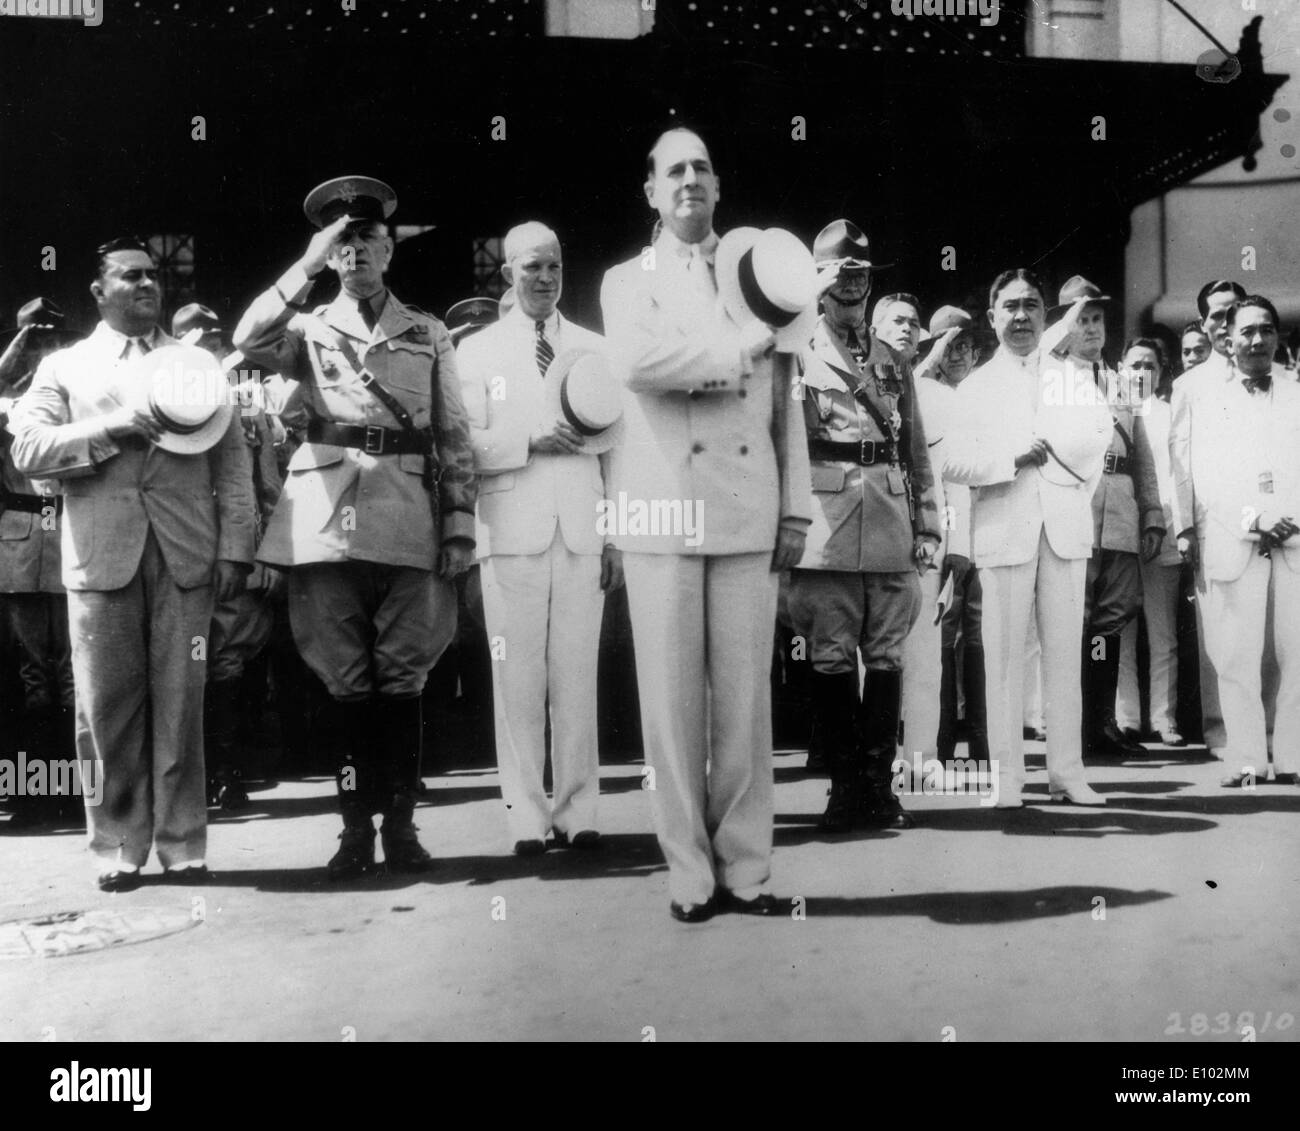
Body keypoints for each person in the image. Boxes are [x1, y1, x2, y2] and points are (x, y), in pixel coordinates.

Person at [233, 176, 478, 878]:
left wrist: (460, 522)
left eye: (368, 239)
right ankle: (351, 831)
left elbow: (455, 432)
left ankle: (400, 824)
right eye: (343, 243)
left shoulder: (426, 330)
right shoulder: (306, 327)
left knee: (404, 673)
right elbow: (247, 337)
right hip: (324, 516)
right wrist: (303, 266)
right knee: (341, 677)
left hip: (408, 513)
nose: (357, 251)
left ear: (389, 249)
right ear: (330, 256)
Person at [600, 127, 812, 921]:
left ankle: (748, 867)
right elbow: (638, 365)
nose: (690, 179)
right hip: (660, 506)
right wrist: (736, 345)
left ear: (719, 187)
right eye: (673, 170)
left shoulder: (759, 270)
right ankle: (688, 870)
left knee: (745, 702)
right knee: (670, 704)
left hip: (747, 503)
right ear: (651, 191)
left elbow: (787, 391)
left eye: (702, 167)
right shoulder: (628, 281)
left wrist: (795, 508)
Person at [9, 238, 256, 889]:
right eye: (130, 276)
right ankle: (117, 844)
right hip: (100, 559)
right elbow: (29, 448)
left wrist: (235, 546)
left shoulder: (196, 362)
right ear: (99, 290)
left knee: (183, 700)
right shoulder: (65, 366)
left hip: (187, 557)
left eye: (153, 275)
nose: (147, 285)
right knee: (103, 708)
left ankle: (182, 843)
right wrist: (114, 427)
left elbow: (230, 465)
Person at [457, 221, 623, 855]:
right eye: (532, 268)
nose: (545, 279)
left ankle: (579, 812)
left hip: (583, 530)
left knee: (578, 677)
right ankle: (526, 816)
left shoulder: (594, 348)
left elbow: (618, 451)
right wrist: (527, 441)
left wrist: (616, 540)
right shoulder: (475, 352)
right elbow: (462, 446)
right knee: (516, 681)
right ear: (507, 275)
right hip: (509, 530)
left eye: (554, 267)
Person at [789, 223, 940, 833]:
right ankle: (843, 786)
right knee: (828, 655)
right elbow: (786, 447)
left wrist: (926, 524)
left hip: (889, 522)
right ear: (818, 284)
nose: (852, 285)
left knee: (885, 655)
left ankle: (879, 786)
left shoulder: (892, 360)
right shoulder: (797, 353)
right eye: (839, 274)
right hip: (825, 525)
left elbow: (915, 448)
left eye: (861, 274)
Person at [943, 268, 1112, 808]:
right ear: (992, 317)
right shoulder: (975, 385)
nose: (1021, 317)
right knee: (1005, 657)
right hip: (1005, 530)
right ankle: (1008, 779)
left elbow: (1095, 444)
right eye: (1010, 307)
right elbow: (951, 462)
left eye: (1032, 306)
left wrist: (1070, 494)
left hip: (1063, 528)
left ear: (1046, 316)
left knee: (1065, 655)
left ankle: (1067, 773)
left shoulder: (1072, 377)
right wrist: (1007, 460)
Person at [1042, 276, 1164, 759]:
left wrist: (1151, 513)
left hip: (1120, 511)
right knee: (1073, 617)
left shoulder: (1122, 382)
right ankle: (1068, 723)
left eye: (1097, 319)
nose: (1092, 329)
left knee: (1111, 620)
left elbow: (1144, 456)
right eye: (1082, 319)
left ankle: (1101, 722)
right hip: (1074, 507)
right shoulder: (1051, 379)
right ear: (1065, 325)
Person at [1181, 296, 1300, 787]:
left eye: (1266, 330)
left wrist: (1291, 517)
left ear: (1278, 336)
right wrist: (1255, 519)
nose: (1257, 341)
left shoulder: (1296, 390)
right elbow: (1204, 473)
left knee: (1298, 654)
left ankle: (1293, 755)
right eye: (1247, 332)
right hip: (1237, 535)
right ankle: (1246, 756)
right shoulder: (1208, 399)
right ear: (1227, 341)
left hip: (1294, 538)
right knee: (1236, 656)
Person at [172, 303, 285, 811]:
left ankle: (229, 773)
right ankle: (195, 778)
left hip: (234, 552)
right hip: (179, 549)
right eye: (201, 344)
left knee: (232, 660)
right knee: (185, 665)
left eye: (218, 344)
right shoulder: (163, 398)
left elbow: (264, 487)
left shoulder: (248, 403)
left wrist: (265, 554)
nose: (214, 352)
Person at [0, 299, 80, 823]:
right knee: (33, 673)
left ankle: (75, 792)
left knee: (74, 673)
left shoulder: (75, 399)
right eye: (37, 341)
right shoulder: (6, 403)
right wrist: (13, 352)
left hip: (72, 534)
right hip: (23, 543)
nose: (45, 349)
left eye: (53, 341)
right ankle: (34, 795)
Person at [1171, 280, 1247, 754]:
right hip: (1211, 523)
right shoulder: (1189, 385)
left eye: (1233, 312)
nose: (1224, 323)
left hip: (1270, 527)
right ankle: (1222, 732)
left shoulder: (1274, 375)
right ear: (1203, 323)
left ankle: (1273, 734)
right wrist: (1184, 526)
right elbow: (1179, 462)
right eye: (1216, 316)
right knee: (1218, 630)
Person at [911, 306, 986, 763]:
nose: (957, 355)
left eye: (965, 346)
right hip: (948, 532)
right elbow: (947, 479)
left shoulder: (978, 396)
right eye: (948, 345)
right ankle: (938, 744)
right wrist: (957, 544)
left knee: (978, 637)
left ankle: (980, 741)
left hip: (992, 527)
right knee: (942, 636)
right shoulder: (922, 394)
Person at [1116, 338, 1184, 746]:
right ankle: (1128, 719)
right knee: (1121, 629)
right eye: (1134, 364)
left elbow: (1177, 477)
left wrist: (1164, 525)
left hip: (1165, 531)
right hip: (1123, 532)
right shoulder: (1111, 411)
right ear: (1120, 368)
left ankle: (1164, 718)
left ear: (1160, 372)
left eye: (1150, 365)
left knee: (1163, 633)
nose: (1140, 372)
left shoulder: (1171, 415)